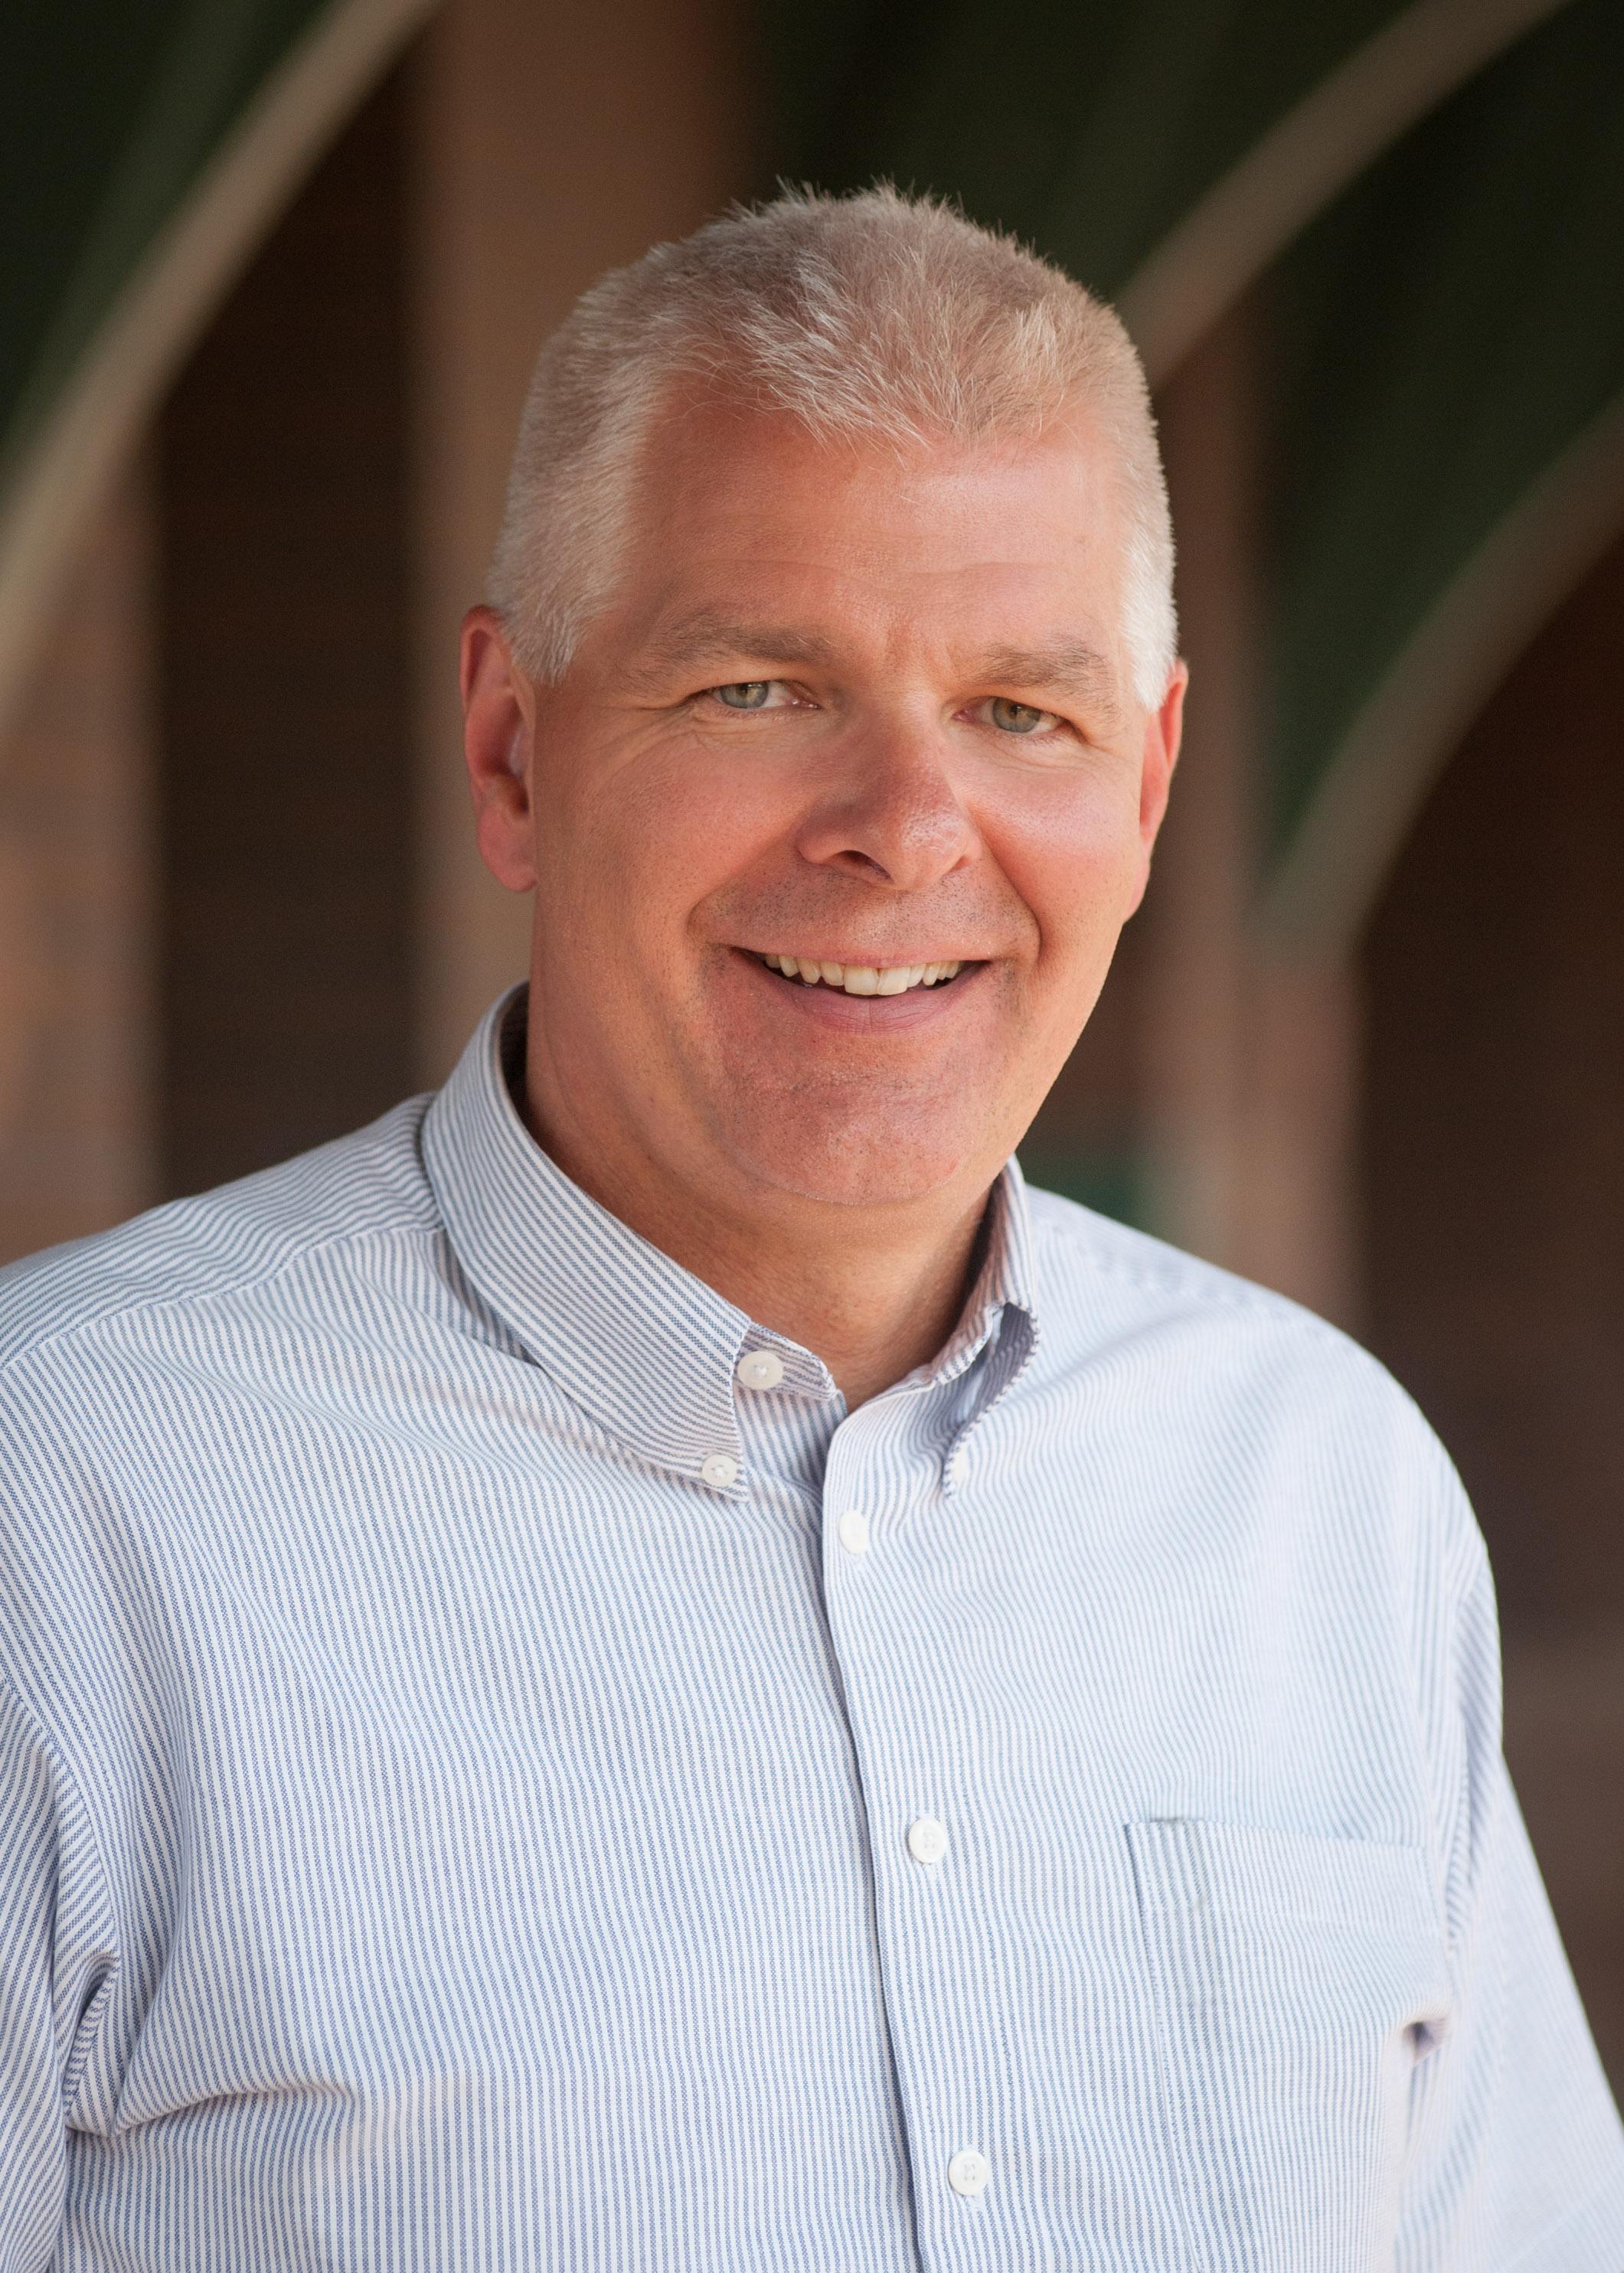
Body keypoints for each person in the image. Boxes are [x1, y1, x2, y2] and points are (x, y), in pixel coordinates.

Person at [2, 186, 1620, 2272]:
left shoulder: (1324, 1494)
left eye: (1017, 713)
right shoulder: (63, 1505)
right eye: (761, 687)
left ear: (1143, 784)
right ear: (512, 746)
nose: (905, 829)